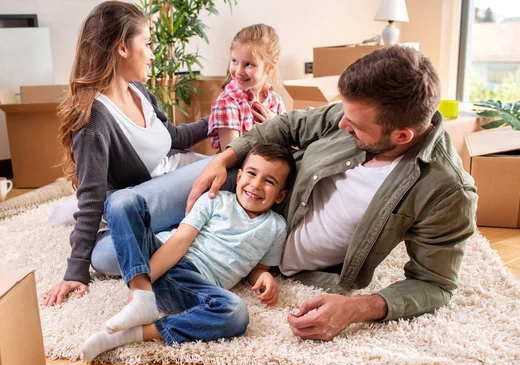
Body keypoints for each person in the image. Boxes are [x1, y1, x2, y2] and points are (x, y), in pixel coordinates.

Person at [186, 45, 478, 341]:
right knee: (145, 203)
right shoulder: (360, 109)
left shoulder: (448, 190)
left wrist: (357, 308)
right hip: (250, 188)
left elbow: (434, 284)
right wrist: (224, 158)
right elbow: (288, 125)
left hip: (266, 256)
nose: (340, 124)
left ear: (402, 136)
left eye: (354, 125)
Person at [43, 2, 214, 306]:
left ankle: (177, 235)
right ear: (122, 48)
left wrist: (216, 122)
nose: (152, 54)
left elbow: (174, 137)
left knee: (237, 171)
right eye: (147, 44)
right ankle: (185, 233)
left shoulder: (139, 93)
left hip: (178, 176)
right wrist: (76, 270)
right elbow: (92, 197)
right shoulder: (94, 119)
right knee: (105, 257)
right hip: (141, 199)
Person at [79, 143, 296, 362]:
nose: (256, 185)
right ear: (239, 177)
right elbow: (180, 241)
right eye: (251, 173)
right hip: (162, 256)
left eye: (269, 181)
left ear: (280, 195)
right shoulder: (215, 200)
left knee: (236, 313)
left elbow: (257, 268)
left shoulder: (276, 227)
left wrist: (264, 276)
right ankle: (142, 297)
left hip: (194, 286)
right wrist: (141, 288)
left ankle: (131, 335)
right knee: (121, 199)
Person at [208, 24, 286, 151]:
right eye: (234, 61)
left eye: (248, 64)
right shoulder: (226, 103)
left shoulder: (275, 100)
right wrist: (273, 131)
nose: (238, 71)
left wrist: (276, 126)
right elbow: (232, 156)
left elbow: (290, 141)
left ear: (270, 67)